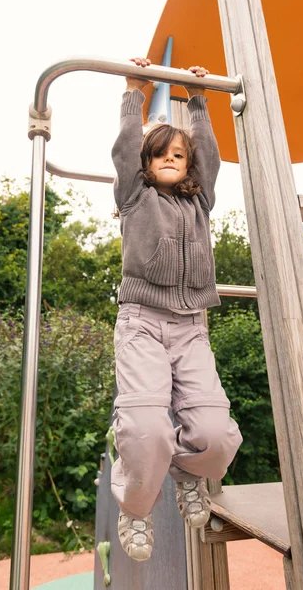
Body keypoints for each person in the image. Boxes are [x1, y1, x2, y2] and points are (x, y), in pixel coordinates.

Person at [110, 57, 242, 561]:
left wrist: (198, 100)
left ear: (189, 165)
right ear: (146, 163)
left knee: (213, 432)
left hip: (191, 327)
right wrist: (133, 93)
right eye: (160, 153)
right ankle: (136, 509)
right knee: (148, 430)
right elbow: (125, 148)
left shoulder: (199, 201)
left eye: (179, 154)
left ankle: (191, 474)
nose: (171, 158)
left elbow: (209, 154)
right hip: (142, 321)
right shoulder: (134, 197)